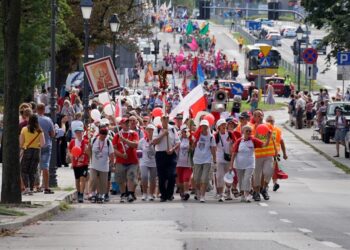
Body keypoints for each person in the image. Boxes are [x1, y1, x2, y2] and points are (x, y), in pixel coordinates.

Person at [230, 125, 271, 202]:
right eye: (247, 131)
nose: (248, 132)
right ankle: (242, 194)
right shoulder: (239, 141)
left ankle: (247, 194)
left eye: (250, 131)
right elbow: (234, 153)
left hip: (250, 164)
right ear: (243, 132)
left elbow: (264, 145)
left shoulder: (253, 140)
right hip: (239, 164)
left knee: (247, 178)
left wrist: (268, 138)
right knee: (241, 179)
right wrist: (231, 165)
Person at [152, 115, 180, 202]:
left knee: (172, 175)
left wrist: (172, 149)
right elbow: (155, 142)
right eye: (164, 118)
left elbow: (178, 142)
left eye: (167, 118)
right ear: (161, 119)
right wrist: (163, 134)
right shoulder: (157, 129)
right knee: (162, 176)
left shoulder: (172, 129)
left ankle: (170, 194)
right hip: (160, 154)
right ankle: (163, 195)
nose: (165, 120)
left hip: (171, 154)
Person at [113, 118, 139, 203]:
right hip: (120, 161)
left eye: (128, 122)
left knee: (131, 177)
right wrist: (121, 155)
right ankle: (123, 194)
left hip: (132, 161)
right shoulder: (117, 135)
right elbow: (114, 149)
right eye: (125, 123)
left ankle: (130, 193)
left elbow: (135, 145)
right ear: (121, 125)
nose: (128, 124)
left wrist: (125, 140)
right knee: (121, 179)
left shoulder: (133, 133)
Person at [20, 115, 45, 195]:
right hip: (36, 151)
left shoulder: (24, 129)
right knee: (32, 171)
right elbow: (43, 144)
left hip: (27, 151)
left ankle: (26, 188)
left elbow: (21, 143)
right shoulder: (40, 130)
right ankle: (31, 188)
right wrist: (37, 145)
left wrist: (24, 146)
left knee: (24, 170)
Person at [192, 119, 216, 203]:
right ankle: (198, 191)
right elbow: (192, 146)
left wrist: (215, 160)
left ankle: (202, 196)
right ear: (200, 127)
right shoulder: (197, 135)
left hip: (207, 159)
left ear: (208, 127)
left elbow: (213, 149)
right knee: (197, 179)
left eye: (206, 126)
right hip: (197, 159)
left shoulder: (211, 137)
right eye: (202, 126)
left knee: (204, 178)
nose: (204, 128)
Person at [89, 125, 114, 203]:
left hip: (104, 166)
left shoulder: (108, 142)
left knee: (103, 182)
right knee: (93, 179)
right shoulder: (93, 140)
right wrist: (90, 159)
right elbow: (89, 150)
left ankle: (101, 194)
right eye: (102, 134)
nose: (103, 136)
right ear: (99, 134)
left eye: (105, 134)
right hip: (94, 165)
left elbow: (111, 154)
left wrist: (111, 163)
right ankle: (93, 194)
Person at [265, 115, 288, 192]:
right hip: (264, 153)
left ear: (274, 122)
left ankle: (275, 183)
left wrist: (284, 153)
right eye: (268, 121)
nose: (270, 122)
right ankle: (266, 184)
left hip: (274, 153)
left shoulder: (277, 130)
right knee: (266, 170)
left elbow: (281, 141)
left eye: (272, 121)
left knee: (274, 169)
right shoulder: (263, 129)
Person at [37, 103, 55, 194]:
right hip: (47, 144)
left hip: (36, 145)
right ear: (44, 110)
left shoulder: (34, 120)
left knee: (36, 166)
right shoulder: (48, 120)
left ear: (37, 110)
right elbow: (52, 134)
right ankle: (46, 187)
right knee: (45, 166)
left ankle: (36, 186)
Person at [68, 126, 89, 203]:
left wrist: (87, 150)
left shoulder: (86, 141)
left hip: (84, 163)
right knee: (77, 180)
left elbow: (90, 153)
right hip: (75, 163)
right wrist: (71, 155)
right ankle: (78, 192)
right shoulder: (73, 142)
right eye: (77, 132)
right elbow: (69, 150)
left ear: (83, 133)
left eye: (80, 132)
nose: (79, 134)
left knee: (82, 178)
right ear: (75, 134)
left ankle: (81, 194)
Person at [138, 124, 157, 201]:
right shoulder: (142, 141)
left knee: (153, 178)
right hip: (144, 162)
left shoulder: (156, 140)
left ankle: (151, 194)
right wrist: (139, 161)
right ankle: (144, 193)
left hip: (154, 162)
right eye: (148, 130)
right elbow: (138, 152)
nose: (150, 132)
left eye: (151, 130)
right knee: (144, 177)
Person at [176, 125, 193, 201]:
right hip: (179, 163)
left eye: (187, 132)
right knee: (180, 181)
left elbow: (194, 149)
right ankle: (182, 192)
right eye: (184, 132)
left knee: (186, 178)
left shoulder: (191, 140)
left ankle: (186, 193)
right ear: (181, 132)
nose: (185, 133)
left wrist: (191, 147)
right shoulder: (179, 140)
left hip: (188, 163)